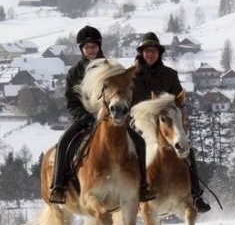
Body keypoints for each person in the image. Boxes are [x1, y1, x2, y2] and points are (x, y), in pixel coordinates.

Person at [49, 25, 156, 204]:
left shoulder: (113, 68)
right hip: (85, 120)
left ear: (99, 46)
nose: (91, 50)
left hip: (113, 118)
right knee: (64, 142)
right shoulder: (74, 72)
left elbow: (124, 92)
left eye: (93, 47)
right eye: (87, 47)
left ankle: (143, 186)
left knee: (139, 141)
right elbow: (71, 101)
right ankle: (58, 186)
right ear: (81, 49)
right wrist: (85, 118)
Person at [131, 32, 211, 213]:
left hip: (166, 125)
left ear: (159, 53)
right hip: (140, 124)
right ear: (141, 53)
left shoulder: (170, 74)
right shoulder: (132, 76)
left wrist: (182, 121)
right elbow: (128, 103)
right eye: (147, 51)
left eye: (153, 51)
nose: (150, 54)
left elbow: (179, 102)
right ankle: (129, 194)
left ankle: (196, 194)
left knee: (186, 150)